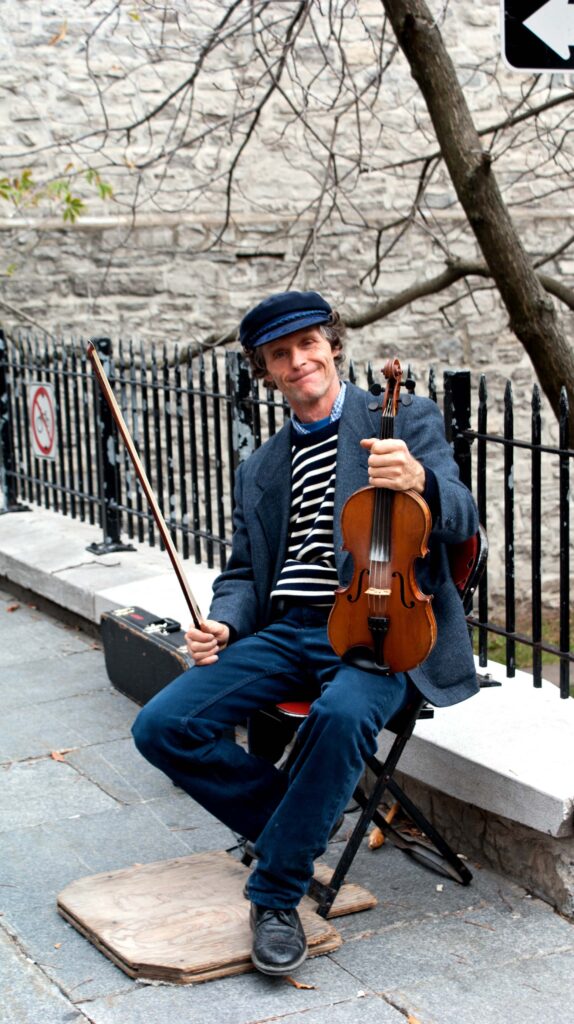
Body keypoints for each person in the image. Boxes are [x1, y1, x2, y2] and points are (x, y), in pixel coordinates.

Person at [132, 289, 479, 976]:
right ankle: (298, 821)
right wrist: (224, 621)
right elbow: (241, 573)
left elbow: (463, 519)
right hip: (285, 630)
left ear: (332, 345)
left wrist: (420, 481)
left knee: (343, 714)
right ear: (265, 371)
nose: (298, 362)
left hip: (380, 628)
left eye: (307, 344)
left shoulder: (400, 419)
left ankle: (274, 895)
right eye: (279, 354)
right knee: (161, 726)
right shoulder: (260, 467)